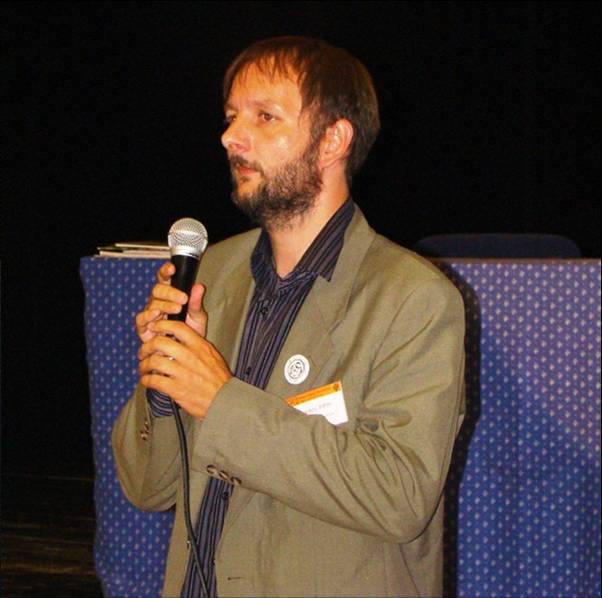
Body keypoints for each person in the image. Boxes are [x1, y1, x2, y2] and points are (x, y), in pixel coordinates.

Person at [112, 36, 465, 598]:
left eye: (264, 116)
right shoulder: (211, 274)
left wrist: (218, 399)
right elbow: (146, 488)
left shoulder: (414, 297)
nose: (231, 136)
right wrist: (165, 384)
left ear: (333, 140)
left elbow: (400, 496)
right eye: (230, 117)